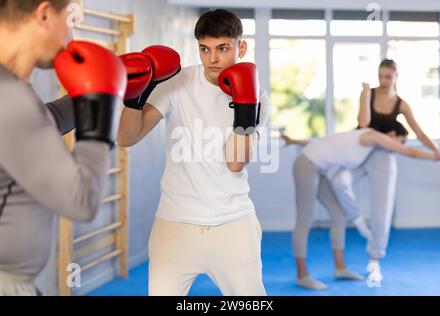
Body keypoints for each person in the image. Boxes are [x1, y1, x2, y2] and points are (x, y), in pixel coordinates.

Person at [117, 9, 270, 296]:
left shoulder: (257, 95)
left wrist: (245, 105)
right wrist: (134, 98)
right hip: (174, 224)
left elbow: (235, 162)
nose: (213, 58)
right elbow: (127, 137)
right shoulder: (178, 83)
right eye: (205, 49)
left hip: (233, 225)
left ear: (241, 47)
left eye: (223, 48)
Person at [0, 0, 127, 295]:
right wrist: (100, 109)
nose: (71, 38)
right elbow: (81, 201)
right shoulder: (10, 96)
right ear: (44, 13)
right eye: (70, 20)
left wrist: (103, 94)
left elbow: (37, 125)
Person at [283, 121, 440, 290]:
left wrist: (293, 141)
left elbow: (322, 142)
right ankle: (302, 275)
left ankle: (340, 268)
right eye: (401, 140)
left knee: (339, 215)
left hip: (319, 169)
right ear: (392, 135)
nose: (399, 146)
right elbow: (410, 152)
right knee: (305, 219)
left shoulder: (368, 142)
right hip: (306, 165)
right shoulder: (373, 136)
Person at [330, 59, 440, 282]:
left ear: (396, 77)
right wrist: (364, 94)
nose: (383, 81)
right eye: (380, 76)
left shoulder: (401, 104)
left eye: (388, 77)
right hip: (361, 151)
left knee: (382, 208)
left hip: (384, 156)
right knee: (337, 180)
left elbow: (420, 133)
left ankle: (375, 257)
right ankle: (358, 221)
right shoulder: (368, 94)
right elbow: (363, 123)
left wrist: (437, 150)